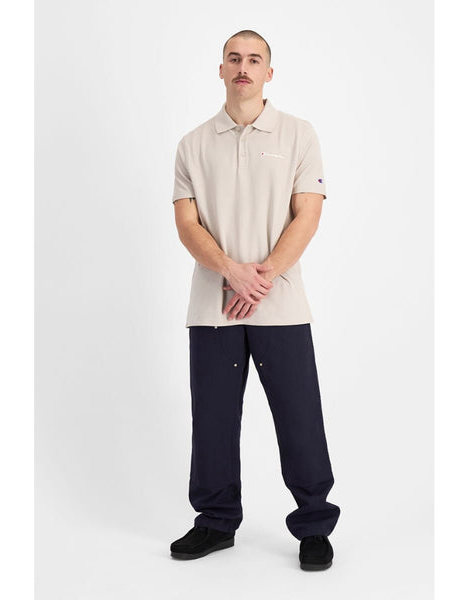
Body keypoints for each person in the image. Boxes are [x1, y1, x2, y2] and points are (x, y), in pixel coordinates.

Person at [169, 30, 341, 571]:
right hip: (212, 307)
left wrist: (260, 279)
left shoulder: (299, 134)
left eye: (254, 59)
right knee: (213, 420)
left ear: (269, 73)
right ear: (221, 70)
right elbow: (187, 224)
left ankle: (314, 524)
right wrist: (230, 271)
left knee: (299, 417)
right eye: (234, 58)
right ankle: (215, 522)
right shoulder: (193, 144)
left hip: (280, 304)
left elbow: (308, 214)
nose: (243, 67)